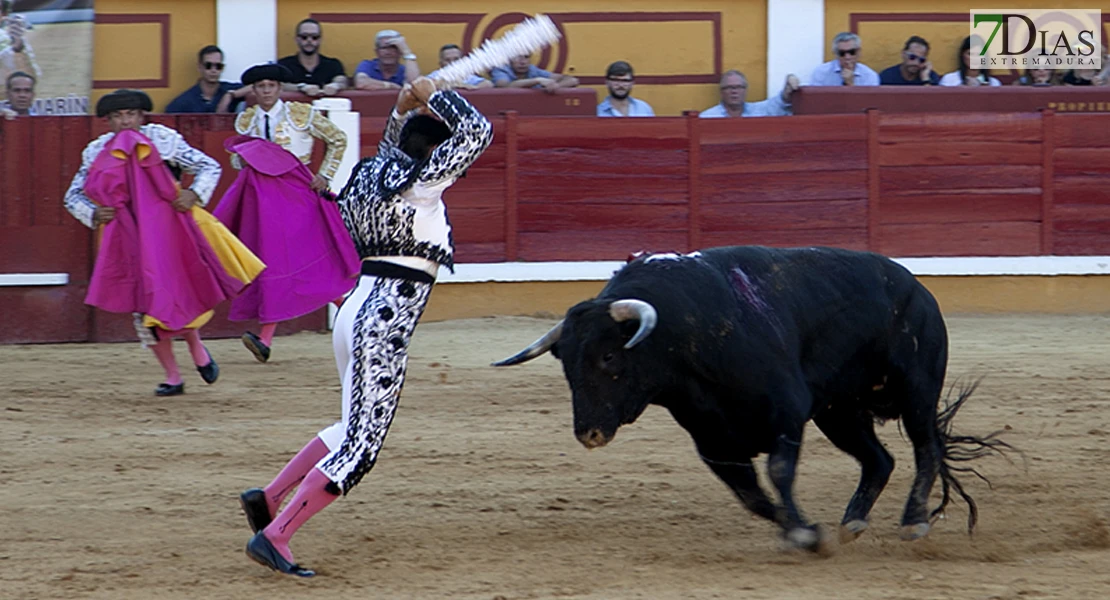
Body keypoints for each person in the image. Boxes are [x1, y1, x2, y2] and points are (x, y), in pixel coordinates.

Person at [239, 76, 493, 577]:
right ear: (434, 157)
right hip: (385, 319)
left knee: (349, 424)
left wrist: (402, 109)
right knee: (363, 445)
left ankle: (269, 497)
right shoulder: (421, 183)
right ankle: (278, 534)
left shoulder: (368, 175)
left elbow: (396, 149)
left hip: (353, 309)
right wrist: (434, 92)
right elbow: (476, 131)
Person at [63, 89, 265, 396]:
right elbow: (72, 195)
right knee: (144, 308)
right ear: (108, 122)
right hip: (127, 238)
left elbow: (208, 166)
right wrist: (93, 212)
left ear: (142, 116)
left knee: (175, 294)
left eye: (130, 114)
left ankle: (196, 348)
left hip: (168, 234)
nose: (125, 121)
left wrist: (194, 194)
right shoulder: (96, 151)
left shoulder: (161, 140)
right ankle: (173, 376)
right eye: (117, 117)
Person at [214, 63, 359, 363]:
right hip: (264, 200)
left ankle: (349, 318)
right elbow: (235, 163)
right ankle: (352, 317)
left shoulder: (300, 114)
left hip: (297, 194)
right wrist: (247, 161)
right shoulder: (247, 121)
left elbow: (338, 140)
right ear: (253, 91)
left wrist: (324, 175)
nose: (266, 91)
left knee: (296, 263)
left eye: (271, 86)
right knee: (278, 264)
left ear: (279, 88)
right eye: (260, 87)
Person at [275, 18, 348, 98]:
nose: (309, 40)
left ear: (320, 40)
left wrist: (335, 85)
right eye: (304, 37)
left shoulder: (333, 64)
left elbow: (342, 80)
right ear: (297, 39)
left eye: (314, 37)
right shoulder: (284, 64)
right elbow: (278, 84)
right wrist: (302, 87)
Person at [165, 45, 244, 113]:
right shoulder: (184, 102)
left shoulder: (229, 89)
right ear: (200, 67)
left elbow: (254, 86)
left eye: (218, 66)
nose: (213, 70)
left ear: (222, 68)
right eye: (208, 66)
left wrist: (230, 95)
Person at [699, 70, 799, 118]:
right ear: (721, 92)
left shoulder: (759, 110)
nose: (734, 91)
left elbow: (779, 104)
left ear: (745, 90)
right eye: (729, 87)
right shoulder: (708, 116)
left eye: (739, 87)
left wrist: (787, 88)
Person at [353, 29, 420, 90]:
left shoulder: (405, 70)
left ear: (400, 51)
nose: (388, 52)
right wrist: (392, 86)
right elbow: (361, 83)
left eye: (393, 48)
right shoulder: (368, 65)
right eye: (384, 48)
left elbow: (415, 85)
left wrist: (407, 52)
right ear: (377, 52)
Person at [807, 32, 879, 86]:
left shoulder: (869, 75)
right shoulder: (821, 72)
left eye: (852, 52)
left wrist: (850, 84)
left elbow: (868, 102)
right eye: (842, 53)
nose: (847, 57)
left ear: (858, 52)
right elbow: (815, 99)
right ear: (835, 53)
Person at [491, 53, 579, 92]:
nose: (523, 62)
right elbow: (504, 87)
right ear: (508, 60)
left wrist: (557, 86)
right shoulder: (501, 69)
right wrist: (537, 80)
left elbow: (572, 80)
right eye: (517, 57)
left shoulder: (532, 70)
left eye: (526, 57)